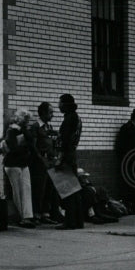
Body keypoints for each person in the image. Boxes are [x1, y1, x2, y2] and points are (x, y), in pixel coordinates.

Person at [3, 110, 37, 228]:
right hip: (13, 164)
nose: (27, 122)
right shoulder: (11, 131)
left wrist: (24, 136)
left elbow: (30, 142)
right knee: (17, 191)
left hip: (22, 163)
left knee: (26, 189)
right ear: (21, 120)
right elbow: (13, 147)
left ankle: (27, 216)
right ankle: (20, 217)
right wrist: (25, 147)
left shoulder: (21, 131)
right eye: (26, 120)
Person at [56, 93, 84, 229]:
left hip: (66, 155)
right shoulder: (77, 118)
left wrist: (59, 159)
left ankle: (70, 221)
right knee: (75, 189)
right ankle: (78, 220)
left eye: (60, 103)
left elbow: (64, 141)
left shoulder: (68, 120)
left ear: (66, 105)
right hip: (72, 154)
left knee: (68, 190)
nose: (58, 106)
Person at [29, 101, 59, 224]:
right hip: (40, 163)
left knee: (49, 188)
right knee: (39, 188)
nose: (52, 115)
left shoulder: (49, 127)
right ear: (42, 113)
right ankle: (36, 214)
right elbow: (33, 146)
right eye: (50, 112)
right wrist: (42, 160)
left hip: (51, 161)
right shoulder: (36, 127)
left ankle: (46, 214)